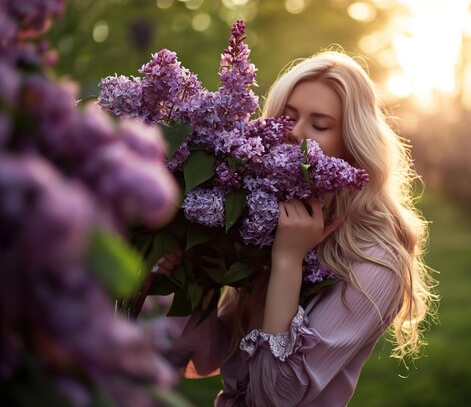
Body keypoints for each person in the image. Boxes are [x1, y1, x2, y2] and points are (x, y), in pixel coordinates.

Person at [155, 50, 437, 407]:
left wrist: (287, 261)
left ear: (352, 143)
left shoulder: (376, 262)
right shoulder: (263, 217)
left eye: (320, 125)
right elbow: (212, 354)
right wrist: (182, 271)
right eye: (286, 118)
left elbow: (274, 397)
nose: (296, 134)